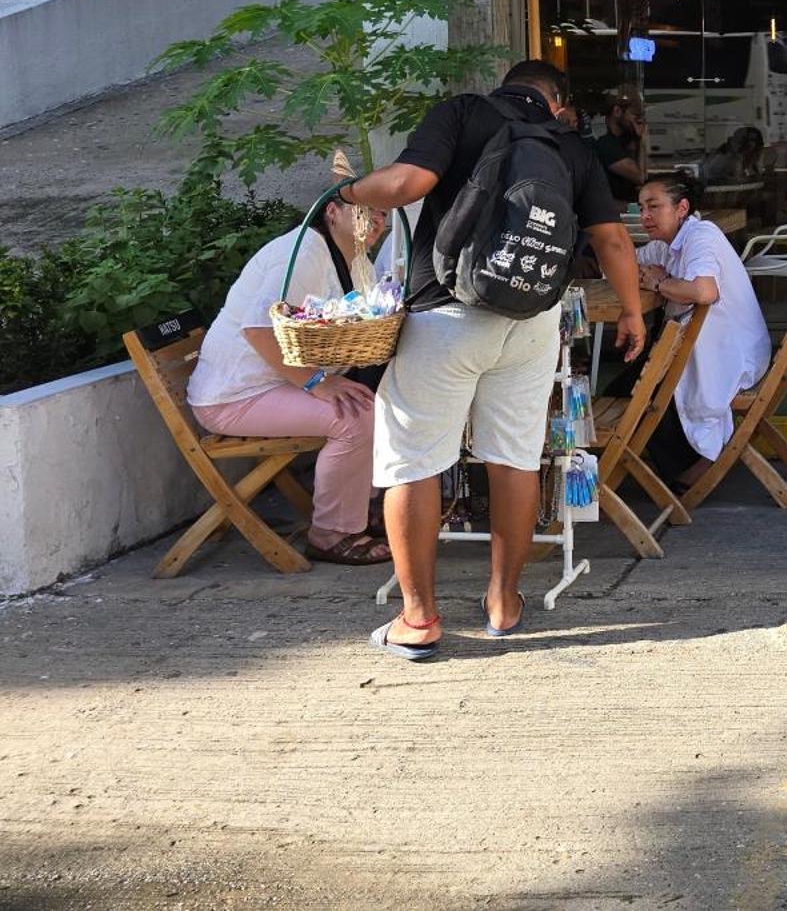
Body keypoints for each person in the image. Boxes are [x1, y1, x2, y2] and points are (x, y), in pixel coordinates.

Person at [337, 59, 645, 659]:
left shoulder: (461, 112)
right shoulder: (571, 145)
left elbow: (405, 185)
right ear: (556, 104)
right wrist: (632, 311)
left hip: (445, 315)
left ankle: (419, 620)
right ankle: (504, 603)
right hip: (532, 322)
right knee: (515, 459)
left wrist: (346, 190)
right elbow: (612, 239)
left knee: (414, 462)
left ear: (504, 86)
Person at [185, 181, 391, 565]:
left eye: (382, 213)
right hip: (234, 396)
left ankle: (364, 509)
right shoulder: (301, 253)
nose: (377, 220)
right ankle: (331, 534)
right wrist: (318, 382)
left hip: (273, 387)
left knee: (384, 396)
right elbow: (257, 329)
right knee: (356, 416)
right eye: (366, 210)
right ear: (332, 212)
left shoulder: (356, 259)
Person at [633, 172, 772, 488]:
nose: (644, 216)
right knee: (632, 382)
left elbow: (704, 292)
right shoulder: (667, 243)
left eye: (653, 206)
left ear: (681, 208)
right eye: (641, 208)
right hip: (708, 349)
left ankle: (693, 472)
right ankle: (676, 469)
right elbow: (631, 260)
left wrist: (659, 283)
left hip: (732, 354)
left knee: (643, 392)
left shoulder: (701, 235)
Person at [594, 85, 647, 206]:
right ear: (617, 111)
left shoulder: (624, 143)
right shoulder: (606, 145)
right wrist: (642, 138)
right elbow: (640, 176)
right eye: (634, 114)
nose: (638, 120)